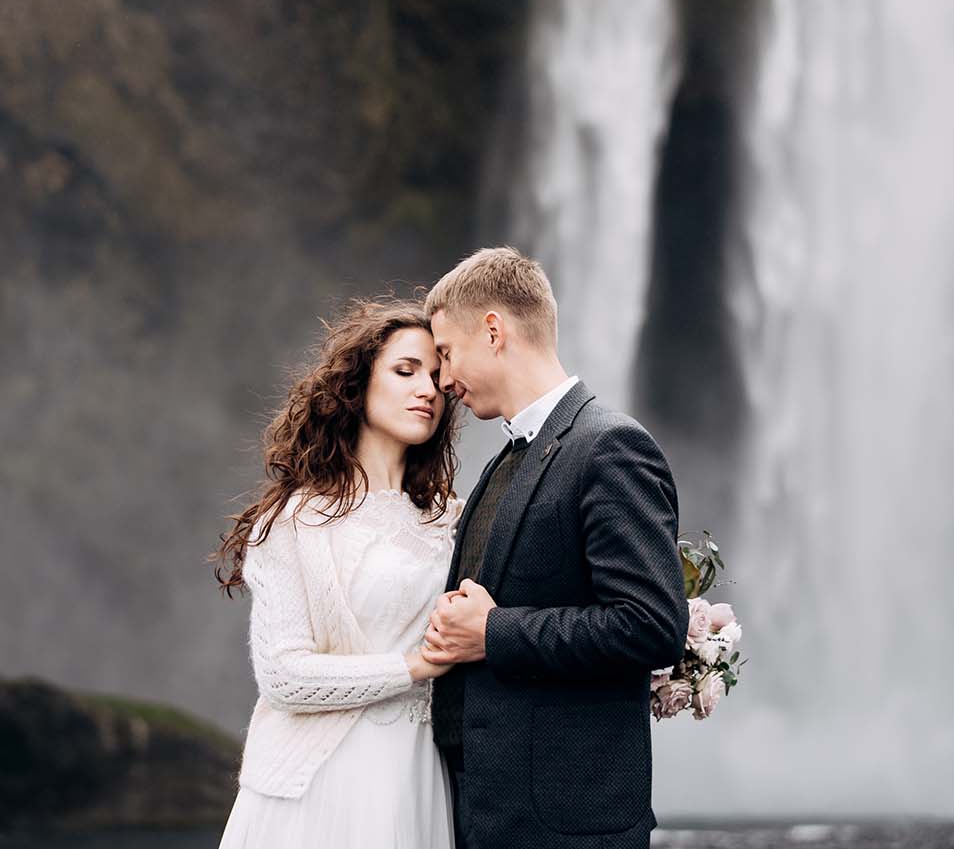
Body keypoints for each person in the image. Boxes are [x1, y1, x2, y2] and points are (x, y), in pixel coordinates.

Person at [420, 247, 686, 849]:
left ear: (493, 331)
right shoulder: (498, 466)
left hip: (567, 825)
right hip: (489, 815)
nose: (442, 380)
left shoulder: (609, 447)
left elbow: (650, 625)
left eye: (445, 353)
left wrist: (495, 633)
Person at [212, 299, 464, 848]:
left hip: (420, 772)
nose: (428, 389)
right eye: (405, 371)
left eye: (437, 377)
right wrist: (414, 666)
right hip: (320, 784)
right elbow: (284, 677)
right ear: (356, 385)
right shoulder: (296, 520)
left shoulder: (456, 518)